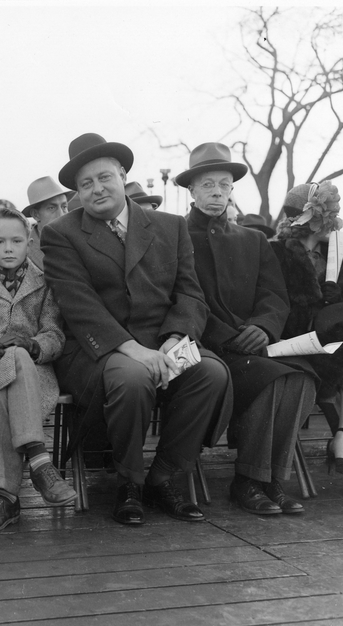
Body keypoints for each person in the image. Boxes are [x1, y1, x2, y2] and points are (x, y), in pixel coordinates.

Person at [41, 133, 232, 526]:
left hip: (164, 341)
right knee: (131, 378)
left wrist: (175, 339)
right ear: (77, 191)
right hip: (101, 351)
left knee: (210, 372)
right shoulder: (62, 233)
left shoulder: (169, 226)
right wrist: (134, 350)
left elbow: (190, 295)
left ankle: (163, 477)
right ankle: (129, 482)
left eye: (104, 177)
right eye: (85, 184)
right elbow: (80, 306)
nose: (96, 189)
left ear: (123, 174)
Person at [178, 142, 317, 515]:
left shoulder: (252, 239)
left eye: (224, 185)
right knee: (272, 379)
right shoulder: (176, 235)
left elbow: (274, 295)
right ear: (191, 190)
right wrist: (226, 335)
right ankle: (248, 480)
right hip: (207, 348)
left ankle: (269, 480)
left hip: (254, 346)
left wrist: (264, 326)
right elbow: (180, 299)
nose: (217, 193)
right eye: (208, 185)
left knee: (301, 378)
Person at [0, 207, 73, 531]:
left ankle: (5, 499)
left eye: (16, 241)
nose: (8, 248)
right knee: (11, 360)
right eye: (0, 241)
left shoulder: (44, 282)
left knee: (13, 373)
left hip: (34, 374)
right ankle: (40, 460)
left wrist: (33, 345)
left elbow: (54, 333)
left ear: (29, 242)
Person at [271, 181, 343, 502]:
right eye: (328, 212)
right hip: (293, 344)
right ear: (306, 218)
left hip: (333, 345)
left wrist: (337, 301)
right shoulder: (276, 252)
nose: (334, 219)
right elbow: (277, 307)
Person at [21, 176, 74, 269]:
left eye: (64, 207)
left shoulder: (80, 240)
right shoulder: (23, 253)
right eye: (52, 208)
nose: (61, 215)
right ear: (36, 214)